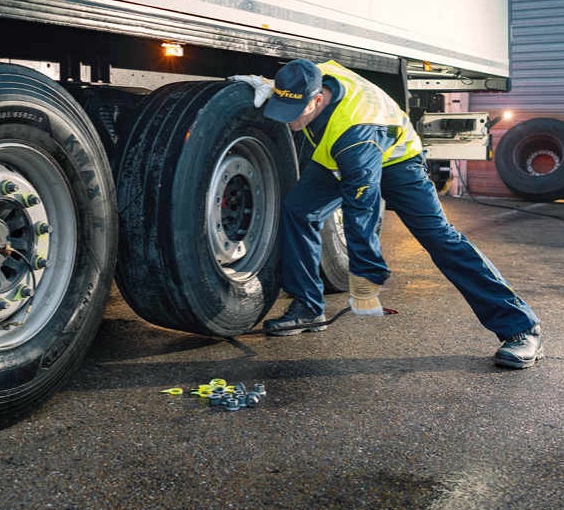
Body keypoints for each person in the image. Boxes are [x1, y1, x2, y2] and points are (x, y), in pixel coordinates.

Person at [230, 59, 543, 368]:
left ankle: (521, 328)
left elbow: (361, 210)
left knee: (439, 238)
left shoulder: (354, 134)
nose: (288, 120)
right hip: (337, 154)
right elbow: (297, 83)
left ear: (318, 100)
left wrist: (366, 272)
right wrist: (267, 84)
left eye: (294, 113)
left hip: (397, 161)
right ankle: (309, 308)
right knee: (298, 211)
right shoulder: (313, 78)